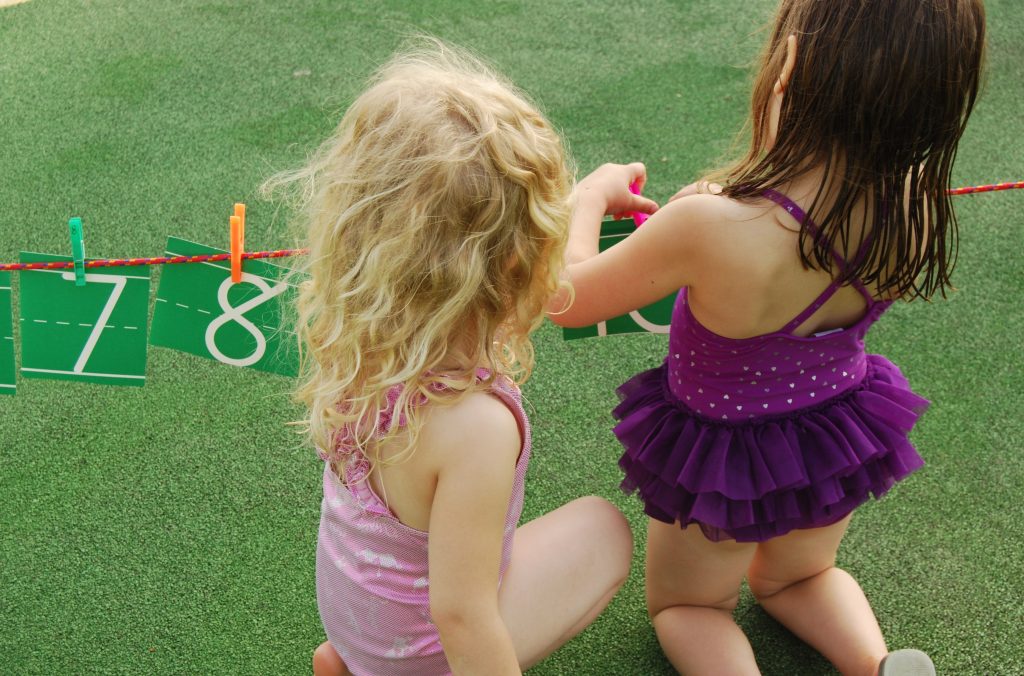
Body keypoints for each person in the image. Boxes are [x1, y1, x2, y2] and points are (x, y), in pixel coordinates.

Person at [547, 1, 986, 673]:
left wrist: (589, 198)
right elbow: (805, 227)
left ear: (787, 66)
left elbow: (566, 299)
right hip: (833, 435)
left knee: (688, 607)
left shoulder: (708, 226)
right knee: (800, 577)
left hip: (722, 457)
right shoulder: (916, 208)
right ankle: (876, 664)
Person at [267, 40, 634, 676]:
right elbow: (462, 615)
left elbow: (563, 279)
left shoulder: (366, 340)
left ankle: (353, 663)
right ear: (519, 265)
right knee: (605, 534)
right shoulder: (476, 426)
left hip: (357, 626)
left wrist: (593, 201)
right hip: (421, 654)